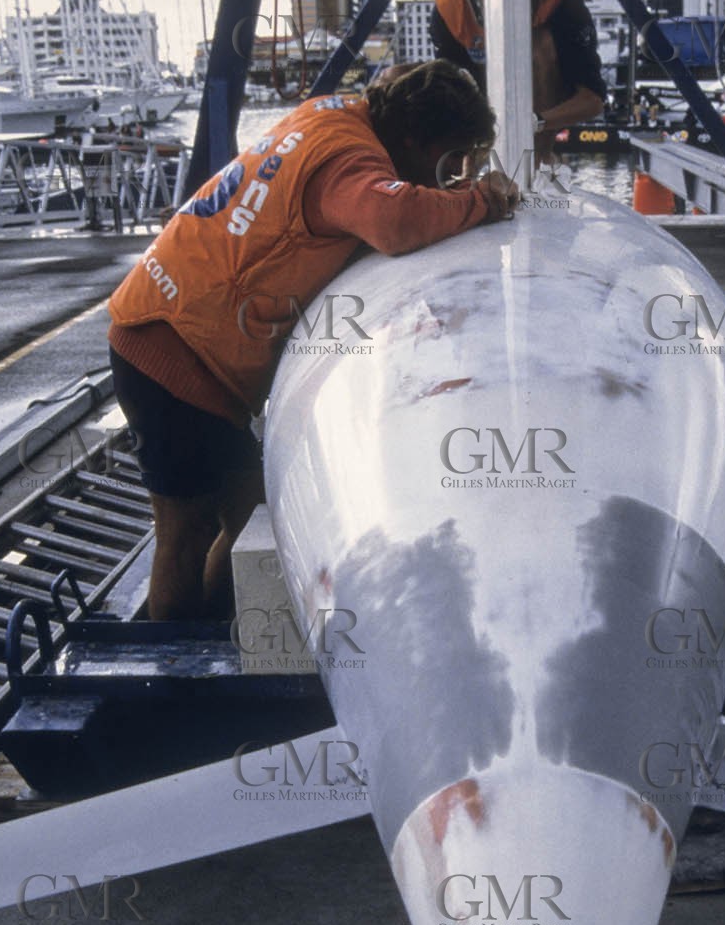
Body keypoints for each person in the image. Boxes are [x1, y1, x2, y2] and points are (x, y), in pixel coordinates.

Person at [106, 60, 519, 620]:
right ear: (414, 137)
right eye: (448, 159)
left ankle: (207, 632)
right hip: (172, 351)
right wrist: (482, 201)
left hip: (178, 330)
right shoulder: (350, 162)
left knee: (252, 512)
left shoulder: (332, 116)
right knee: (185, 528)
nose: (447, 177)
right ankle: (167, 668)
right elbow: (392, 220)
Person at [430, 0, 606, 150]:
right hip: (479, 95)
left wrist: (533, 123)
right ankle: (467, 164)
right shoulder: (450, 6)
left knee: (541, 44)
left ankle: (539, 158)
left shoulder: (564, 2)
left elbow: (592, 99)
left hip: (543, 106)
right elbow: (448, 92)